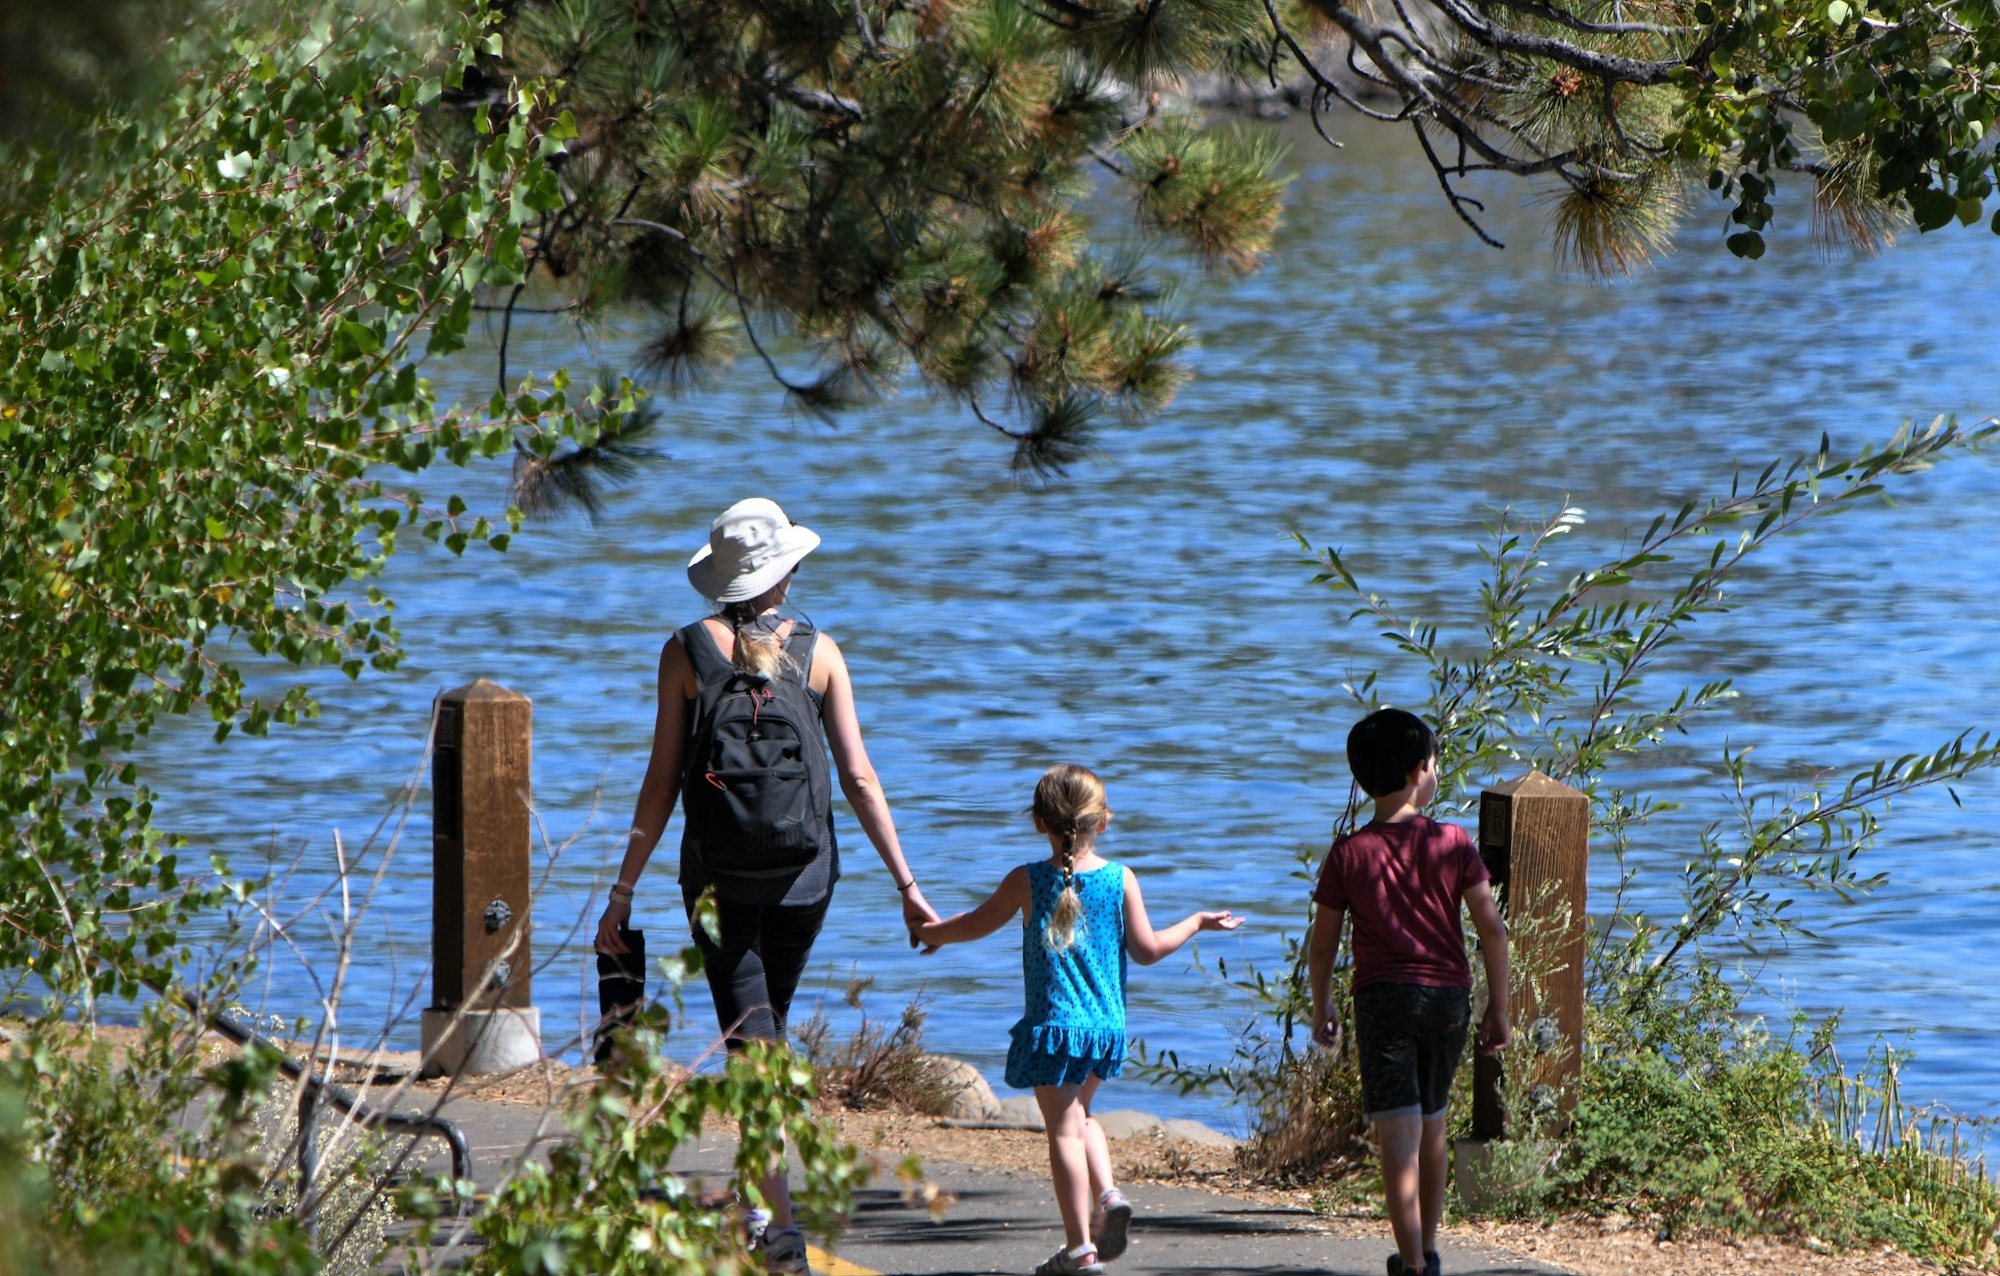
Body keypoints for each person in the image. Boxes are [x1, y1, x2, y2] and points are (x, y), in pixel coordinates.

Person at [595, 497, 938, 1276]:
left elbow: (660, 778)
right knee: (762, 1035)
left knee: (756, 1042)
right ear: (787, 572)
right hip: (806, 877)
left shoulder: (684, 652)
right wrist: (908, 884)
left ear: (722, 579)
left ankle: (773, 1222)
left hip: (715, 882)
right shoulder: (821, 652)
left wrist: (623, 890)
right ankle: (765, 1210)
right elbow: (857, 776)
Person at [913, 764, 1243, 1275]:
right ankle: (1108, 1197)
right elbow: (1149, 949)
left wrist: (933, 933)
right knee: (1081, 1117)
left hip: (1054, 1028)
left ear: (1039, 822)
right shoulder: (1121, 878)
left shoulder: (1027, 880)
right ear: (1103, 822)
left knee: (1063, 1131)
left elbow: (976, 924)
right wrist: (1197, 921)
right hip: (1106, 1028)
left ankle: (1080, 1251)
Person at [1306, 709, 1510, 1276]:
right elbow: (1492, 929)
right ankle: (1429, 1251)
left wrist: (1321, 1004)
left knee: (1397, 1133)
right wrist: (1501, 1006)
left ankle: (1413, 1262)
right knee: (1434, 1125)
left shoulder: (1348, 853)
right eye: (1435, 762)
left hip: (1383, 1000)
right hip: (1449, 998)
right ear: (1421, 771)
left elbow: (1322, 947)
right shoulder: (1453, 841)